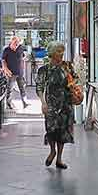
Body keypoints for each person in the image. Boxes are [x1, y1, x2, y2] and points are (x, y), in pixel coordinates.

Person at [36, 41, 75, 169]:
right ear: (52, 54)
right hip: (51, 104)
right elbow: (40, 87)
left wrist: (76, 92)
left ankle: (59, 159)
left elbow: (75, 81)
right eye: (58, 51)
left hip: (65, 103)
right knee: (51, 129)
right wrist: (43, 103)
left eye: (62, 51)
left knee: (63, 131)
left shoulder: (67, 67)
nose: (61, 54)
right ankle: (52, 151)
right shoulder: (44, 69)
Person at [1, 36, 27, 107]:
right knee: (10, 89)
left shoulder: (20, 48)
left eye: (17, 43)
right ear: (11, 42)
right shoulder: (6, 50)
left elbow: (23, 57)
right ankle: (9, 104)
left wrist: (22, 68)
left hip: (20, 72)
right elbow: (3, 61)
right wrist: (6, 69)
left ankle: (25, 102)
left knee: (22, 88)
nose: (16, 45)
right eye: (15, 43)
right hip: (11, 73)